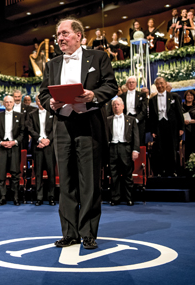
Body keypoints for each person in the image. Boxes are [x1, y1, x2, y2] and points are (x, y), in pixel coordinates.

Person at [39, 17, 118, 249]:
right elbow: (43, 93)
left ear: (79, 36)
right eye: (58, 35)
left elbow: (111, 86)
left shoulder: (98, 57)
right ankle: (70, 233)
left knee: (90, 183)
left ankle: (88, 233)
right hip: (62, 125)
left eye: (64, 33)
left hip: (89, 124)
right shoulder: (52, 64)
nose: (60, 38)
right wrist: (49, 102)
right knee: (66, 182)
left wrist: (93, 95)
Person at [0, 96, 24, 206]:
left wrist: (15, 142)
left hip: (14, 147)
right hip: (1, 147)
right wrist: (0, 142)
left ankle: (15, 197)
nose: (8, 103)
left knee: (15, 173)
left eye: (10, 102)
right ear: (3, 104)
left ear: (14, 103)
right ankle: (3, 197)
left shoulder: (20, 116)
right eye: (6, 102)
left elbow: (23, 132)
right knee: (1, 174)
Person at [106, 97, 139, 206]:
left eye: (118, 104)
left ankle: (129, 198)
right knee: (113, 175)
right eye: (114, 105)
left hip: (126, 148)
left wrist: (135, 150)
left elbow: (136, 137)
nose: (116, 106)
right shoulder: (108, 120)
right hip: (112, 148)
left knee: (127, 175)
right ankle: (115, 198)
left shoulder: (131, 120)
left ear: (123, 106)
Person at [149, 77, 184, 177]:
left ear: (165, 84)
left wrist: (181, 127)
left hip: (172, 126)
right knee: (160, 148)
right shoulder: (152, 100)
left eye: (161, 83)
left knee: (171, 148)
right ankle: (161, 171)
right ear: (155, 86)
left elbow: (179, 113)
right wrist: (153, 130)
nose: (160, 86)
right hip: (159, 126)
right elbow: (151, 116)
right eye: (157, 84)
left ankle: (172, 170)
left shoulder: (174, 96)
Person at [26, 95, 55, 206]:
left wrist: (48, 140)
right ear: (36, 102)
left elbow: (55, 129)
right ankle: (39, 198)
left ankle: (51, 197)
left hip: (49, 147)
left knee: (51, 173)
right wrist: (39, 140)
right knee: (38, 173)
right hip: (37, 147)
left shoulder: (52, 113)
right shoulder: (31, 114)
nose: (41, 102)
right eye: (39, 100)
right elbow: (30, 128)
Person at [106, 76, 147, 146]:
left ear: (136, 83)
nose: (131, 84)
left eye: (133, 82)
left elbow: (144, 110)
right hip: (124, 119)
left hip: (138, 120)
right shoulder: (122, 96)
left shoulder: (142, 95)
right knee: (126, 139)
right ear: (126, 84)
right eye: (129, 82)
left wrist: (137, 120)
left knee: (138, 141)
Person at [182, 90, 195, 161]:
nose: (189, 97)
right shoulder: (181, 106)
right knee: (186, 151)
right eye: (188, 95)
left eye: (191, 95)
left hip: (194, 130)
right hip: (184, 131)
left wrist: (190, 121)